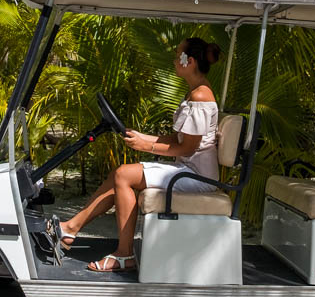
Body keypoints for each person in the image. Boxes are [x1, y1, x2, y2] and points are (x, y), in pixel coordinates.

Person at [55, 37, 222, 273]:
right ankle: (70, 228)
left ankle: (124, 255)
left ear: (190, 61)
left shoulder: (201, 97)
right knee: (118, 175)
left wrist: (147, 146)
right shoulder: (194, 93)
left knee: (124, 174)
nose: (174, 60)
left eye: (178, 56)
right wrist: (143, 137)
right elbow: (179, 141)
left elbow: (188, 148)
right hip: (186, 170)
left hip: (197, 178)